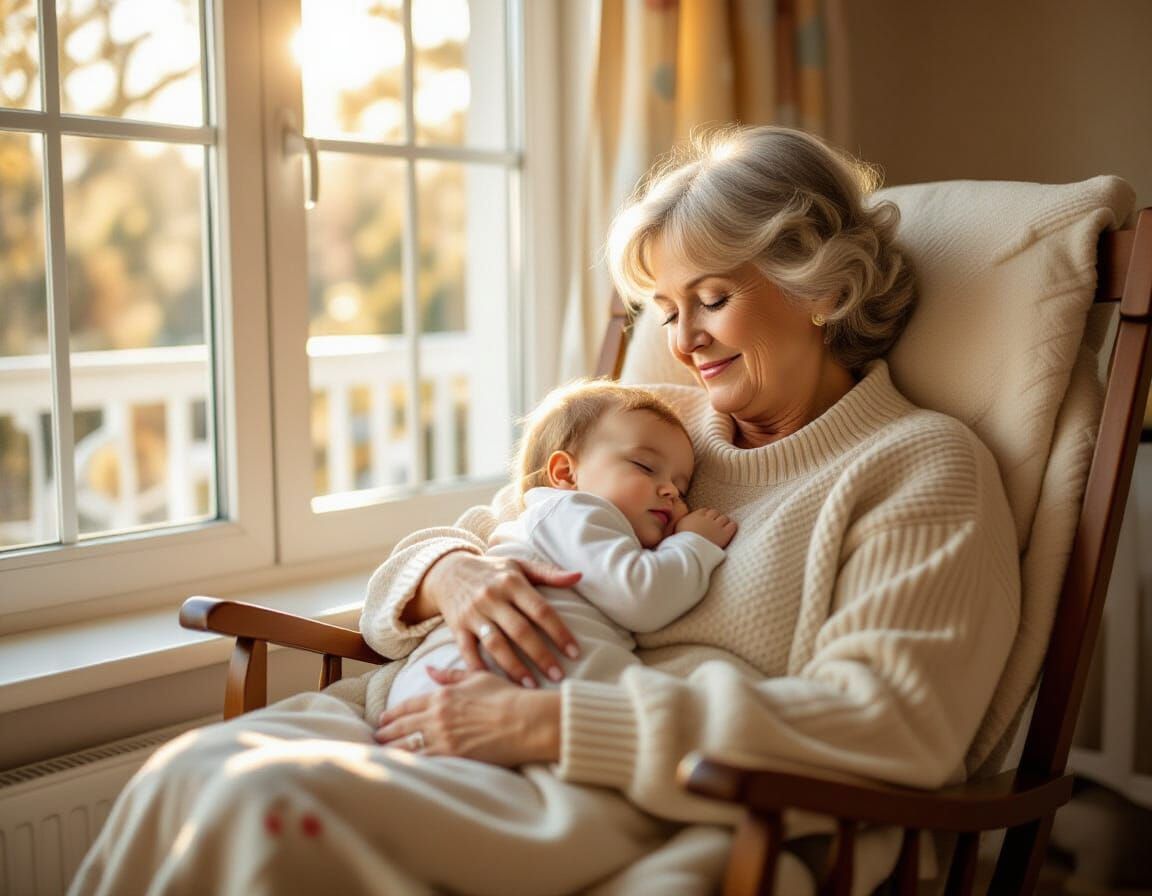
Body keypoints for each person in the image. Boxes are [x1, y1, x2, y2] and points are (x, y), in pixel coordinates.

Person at [70, 125, 1020, 896]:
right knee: (187, 772)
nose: (682, 341)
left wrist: (552, 724)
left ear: (822, 287)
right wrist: (450, 575)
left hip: (652, 791)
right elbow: (488, 536)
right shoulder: (660, 425)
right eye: (663, 308)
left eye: (713, 300)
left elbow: (891, 722)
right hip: (441, 713)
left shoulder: (920, 468)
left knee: (259, 807)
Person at [386, 378, 737, 714]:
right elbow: (641, 596)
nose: (671, 491)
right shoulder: (574, 510)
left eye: (682, 486)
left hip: (493, 693)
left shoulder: (581, 529)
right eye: (646, 467)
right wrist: (695, 543)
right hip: (462, 678)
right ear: (566, 474)